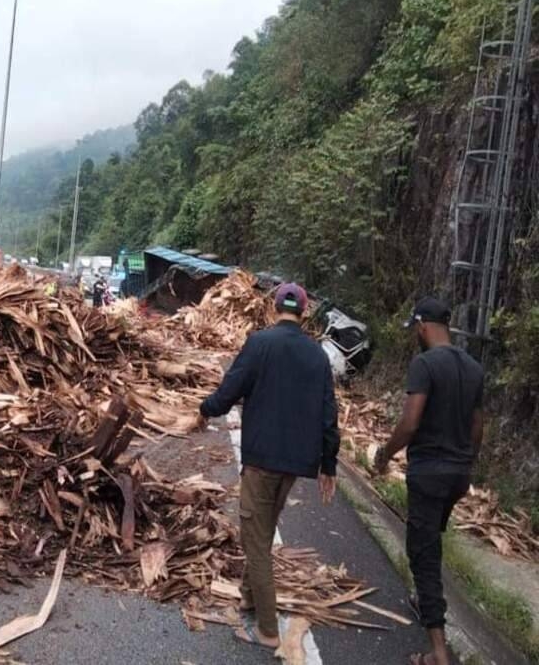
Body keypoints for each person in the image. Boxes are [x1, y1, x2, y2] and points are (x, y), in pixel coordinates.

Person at [199, 282, 340, 650]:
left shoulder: (260, 344)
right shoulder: (317, 356)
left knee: (255, 540)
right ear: (304, 311)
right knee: (262, 529)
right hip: (295, 464)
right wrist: (329, 464)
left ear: (274, 306)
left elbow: (230, 389)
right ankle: (248, 595)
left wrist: (205, 409)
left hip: (262, 459)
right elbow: (329, 414)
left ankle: (267, 629)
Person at [374, 297, 484, 665]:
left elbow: (410, 422)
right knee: (431, 535)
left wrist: (385, 454)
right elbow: (477, 427)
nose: (415, 336)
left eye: (415, 330)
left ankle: (438, 653)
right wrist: (466, 464)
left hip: (429, 473)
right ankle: (425, 599)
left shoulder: (424, 364)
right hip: (457, 475)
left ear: (422, 326)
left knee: (423, 555)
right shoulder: (473, 368)